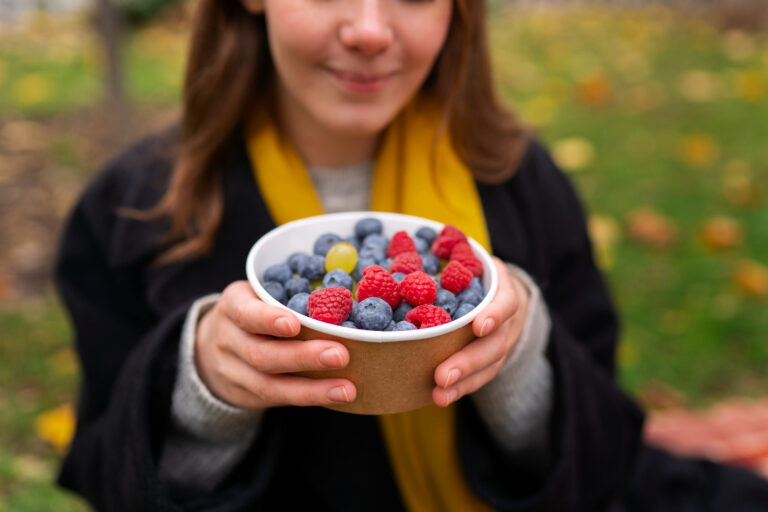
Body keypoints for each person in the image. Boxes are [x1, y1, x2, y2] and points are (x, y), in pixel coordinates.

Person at [54, 1, 768, 511]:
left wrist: (519, 352)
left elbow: (604, 451)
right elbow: (108, 477)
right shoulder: (130, 213)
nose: (370, 29)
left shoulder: (522, 184)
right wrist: (201, 387)